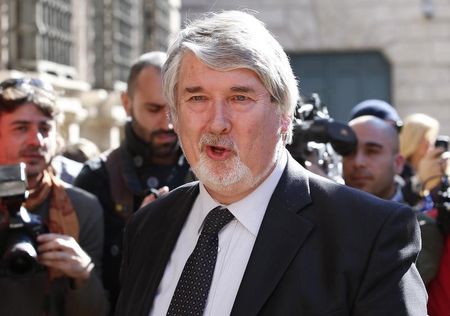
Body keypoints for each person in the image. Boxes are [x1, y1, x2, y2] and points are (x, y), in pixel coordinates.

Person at [115, 10, 427, 316]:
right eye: (197, 99)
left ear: (283, 115)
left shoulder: (367, 234)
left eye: (240, 98)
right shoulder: (147, 228)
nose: (217, 123)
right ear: (175, 116)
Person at [73, 51, 192, 312]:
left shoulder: (207, 172)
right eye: (154, 109)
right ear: (127, 103)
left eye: (175, 107)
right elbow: (87, 290)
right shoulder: (97, 178)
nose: (168, 123)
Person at [0, 77, 107, 315]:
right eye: (21, 128)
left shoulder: (82, 208)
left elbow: (96, 311)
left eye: (45, 129)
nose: (36, 141)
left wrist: (82, 274)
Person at [342, 115, 443, 284]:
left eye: (372, 151)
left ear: (398, 163)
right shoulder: (326, 214)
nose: (358, 162)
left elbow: (384, 287)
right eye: (349, 152)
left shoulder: (420, 227)